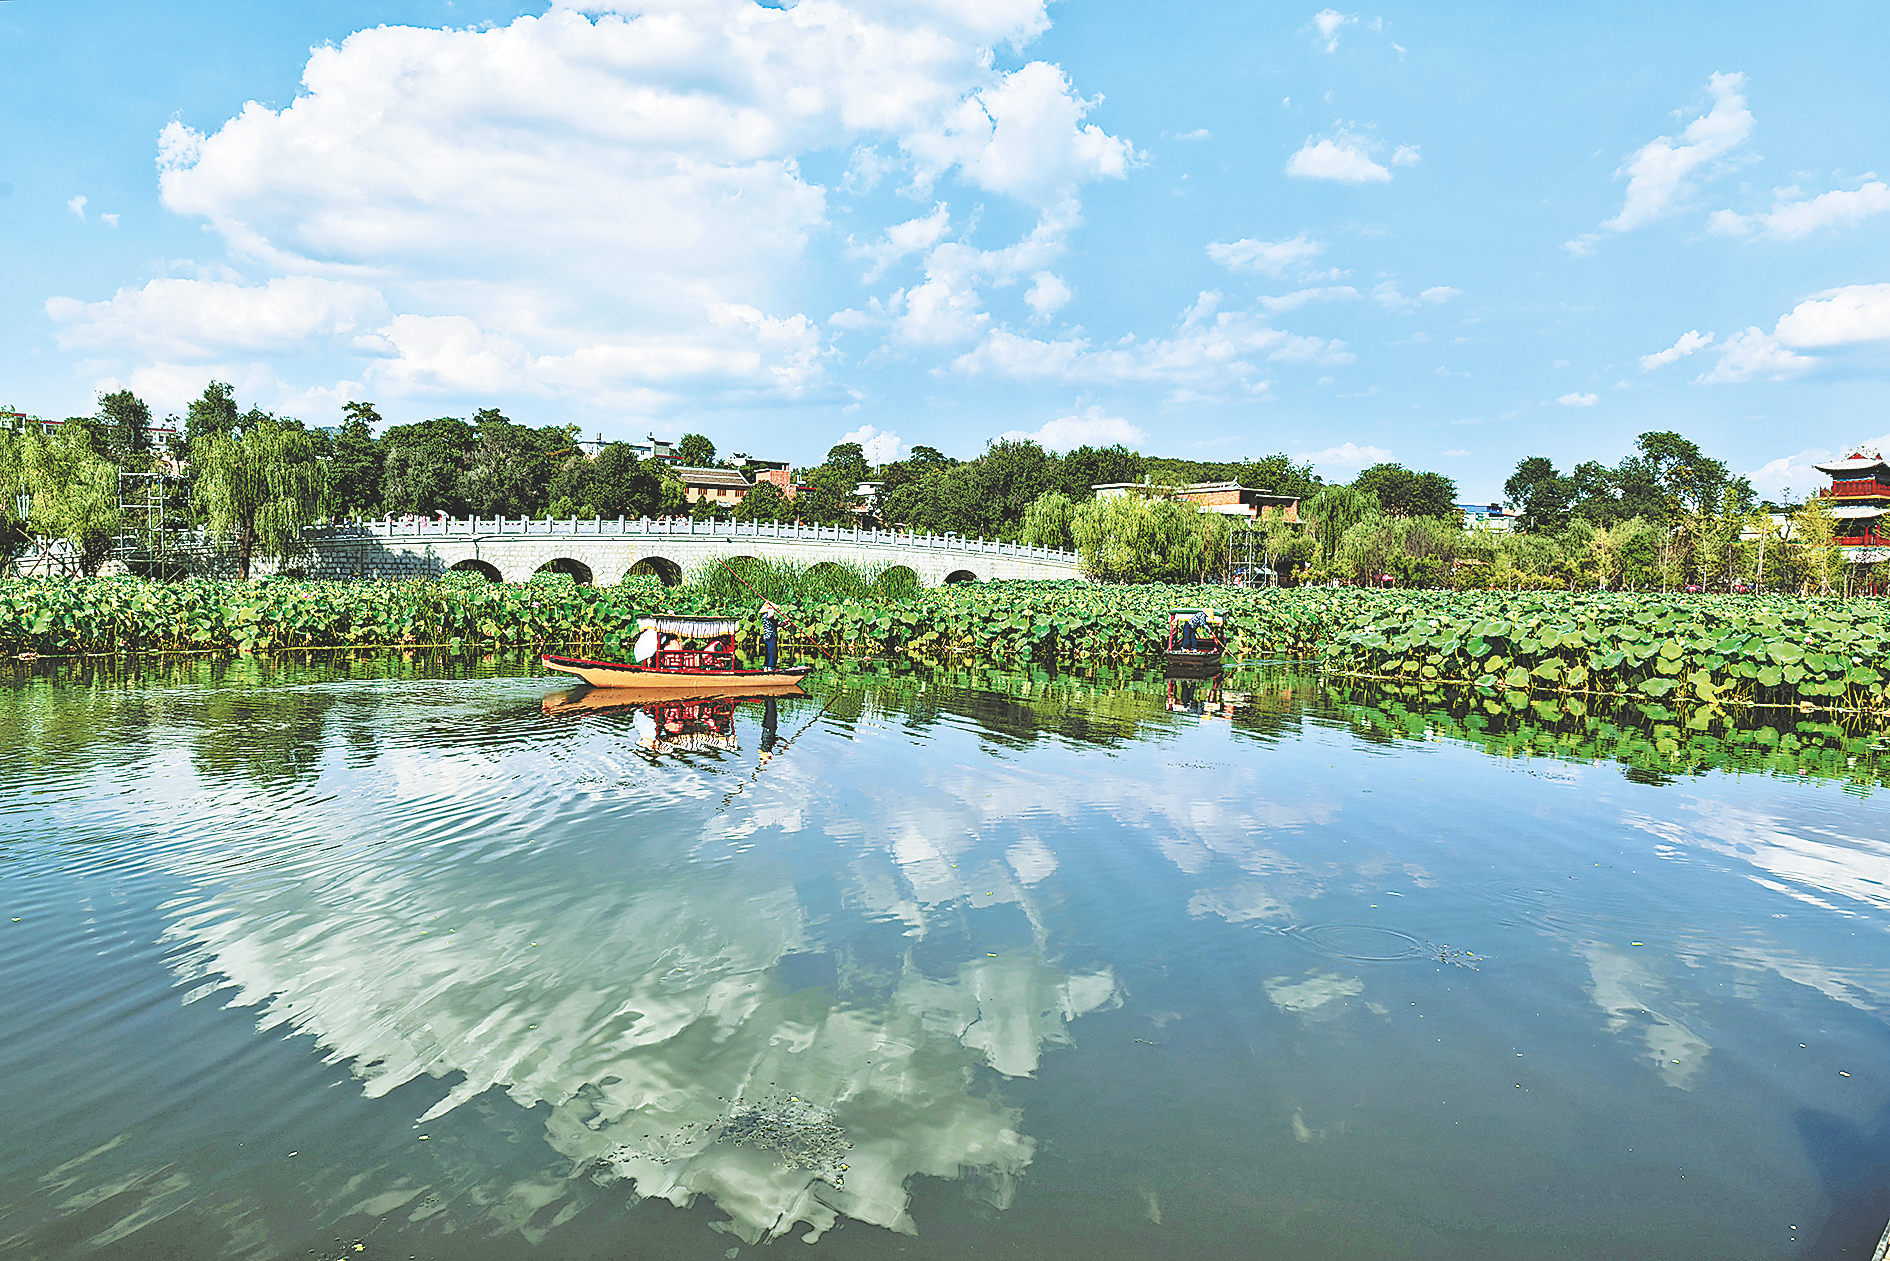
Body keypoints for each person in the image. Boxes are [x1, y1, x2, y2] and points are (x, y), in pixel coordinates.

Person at [761, 601, 780, 670]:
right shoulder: (766, 616)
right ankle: (770, 667)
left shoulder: (771, 618)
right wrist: (770, 606)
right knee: (772, 652)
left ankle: (767, 666)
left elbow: (777, 624)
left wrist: (786, 622)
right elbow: (770, 614)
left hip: (772, 636)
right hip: (770, 636)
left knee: (770, 652)